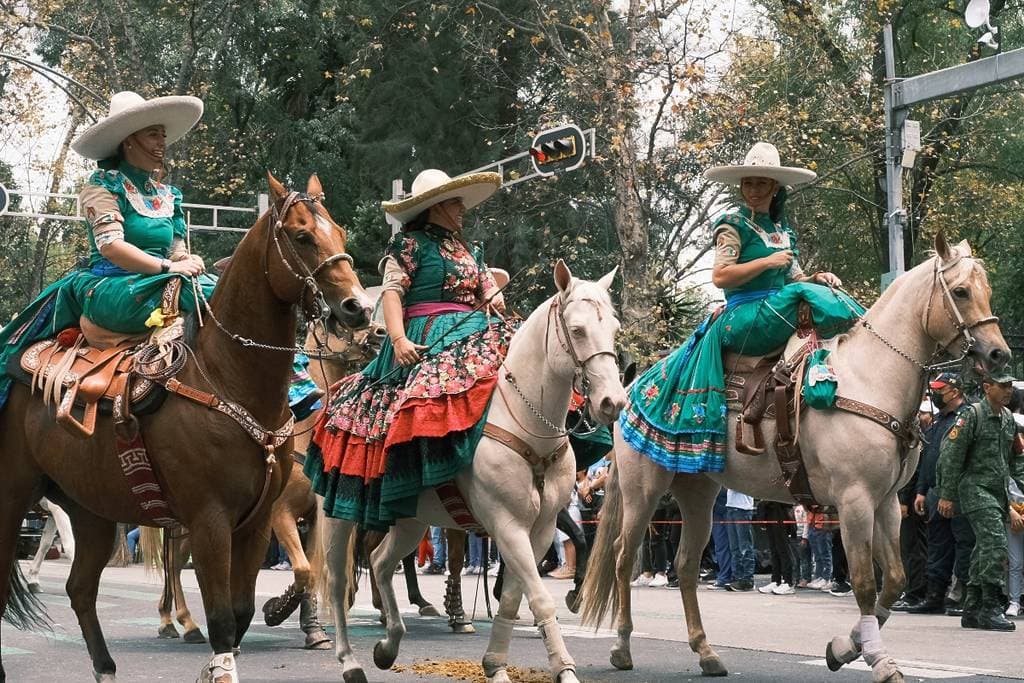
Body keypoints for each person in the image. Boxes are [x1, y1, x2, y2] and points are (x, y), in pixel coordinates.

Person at [619, 142, 863, 473]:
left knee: (816, 292)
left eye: (762, 183)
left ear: (775, 188)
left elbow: (796, 278)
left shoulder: (781, 231)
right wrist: (767, 262)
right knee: (805, 298)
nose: (754, 190)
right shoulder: (732, 225)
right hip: (742, 315)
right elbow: (720, 276)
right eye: (749, 182)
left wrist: (819, 277)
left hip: (776, 306)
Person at [303, 168, 516, 531]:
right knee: (431, 393)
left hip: (477, 326)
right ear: (435, 207)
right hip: (426, 332)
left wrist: (495, 300)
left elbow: (487, 289)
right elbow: (392, 292)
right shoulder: (409, 245)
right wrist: (399, 340)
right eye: (456, 203)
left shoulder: (469, 249)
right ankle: (431, 473)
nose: (463, 209)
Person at [0, 91, 211, 410]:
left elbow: (176, 245)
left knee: (220, 289)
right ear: (129, 140)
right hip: (109, 288)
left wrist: (185, 258)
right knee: (204, 292)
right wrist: (169, 268)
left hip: (164, 280)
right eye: (152, 134)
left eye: (163, 135)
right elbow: (112, 247)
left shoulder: (169, 195)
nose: (161, 142)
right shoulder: (101, 186)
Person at [937, 369, 1021, 631]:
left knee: (983, 548)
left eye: (1010, 386)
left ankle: (971, 608)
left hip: (997, 492)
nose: (1008, 391)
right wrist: (947, 495)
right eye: (1002, 386)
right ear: (987, 388)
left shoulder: (1007, 419)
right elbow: (951, 456)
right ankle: (991, 607)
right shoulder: (972, 416)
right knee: (996, 543)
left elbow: (1015, 459)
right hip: (974, 488)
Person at [908, 374, 975, 615]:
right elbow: (929, 458)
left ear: (955, 391)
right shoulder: (939, 422)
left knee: (964, 544)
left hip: (960, 492)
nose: (936, 394)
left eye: (941, 389)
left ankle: (965, 597)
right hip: (935, 491)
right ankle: (935, 596)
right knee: (938, 545)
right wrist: (921, 491)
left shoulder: (968, 417)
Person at [724, 488, 755, 591]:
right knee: (735, 548)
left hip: (743, 508)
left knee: (745, 546)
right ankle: (738, 577)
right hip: (731, 506)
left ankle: (748, 579)